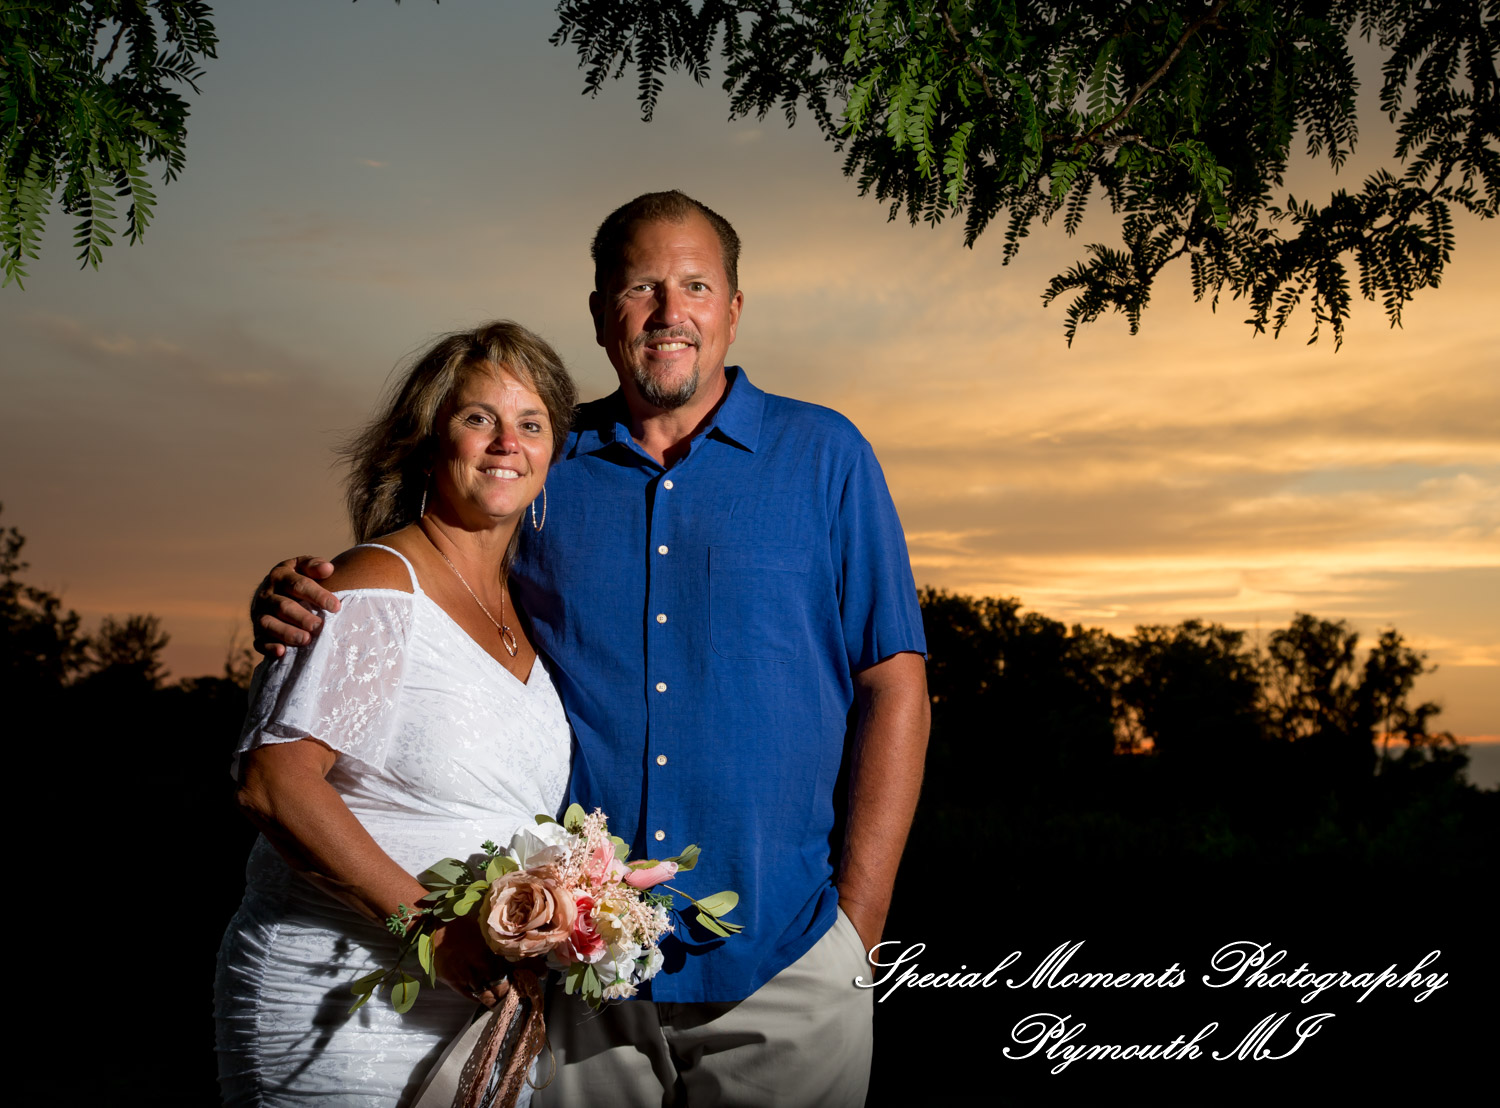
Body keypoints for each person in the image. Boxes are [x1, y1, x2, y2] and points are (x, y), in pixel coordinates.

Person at [254, 191, 931, 1106]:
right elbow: (433, 578)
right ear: (601, 315)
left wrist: (861, 926)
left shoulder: (826, 457)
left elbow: (896, 689)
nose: (669, 311)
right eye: (640, 286)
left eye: (696, 285)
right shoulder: (543, 466)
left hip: (791, 958)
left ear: (734, 308)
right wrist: (309, 592)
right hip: (581, 976)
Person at [218, 321, 579, 1106]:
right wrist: (431, 930)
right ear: (427, 440)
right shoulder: (378, 584)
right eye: (478, 418)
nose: (504, 444)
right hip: (341, 1003)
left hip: (474, 1018)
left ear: (552, 451)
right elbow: (275, 783)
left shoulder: (524, 613)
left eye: (530, 423)